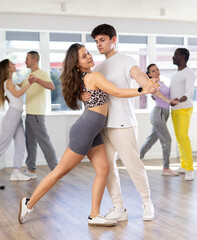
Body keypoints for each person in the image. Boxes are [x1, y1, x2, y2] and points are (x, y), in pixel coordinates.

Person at [18, 43, 159, 226]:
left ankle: (94, 215)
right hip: (85, 130)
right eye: (84, 56)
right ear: (77, 64)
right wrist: (142, 90)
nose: (89, 57)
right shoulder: (94, 76)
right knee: (61, 171)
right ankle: (29, 204)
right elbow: (116, 92)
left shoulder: (86, 77)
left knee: (103, 169)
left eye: (88, 53)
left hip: (95, 130)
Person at [88, 23, 177, 222]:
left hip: (123, 124)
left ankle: (147, 203)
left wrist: (148, 84)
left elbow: (139, 77)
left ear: (113, 39)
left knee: (133, 165)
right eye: (96, 41)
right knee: (108, 168)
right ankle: (118, 207)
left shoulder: (126, 60)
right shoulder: (98, 67)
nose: (99, 45)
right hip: (103, 125)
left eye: (102, 40)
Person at [21, 51, 58, 179]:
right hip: (30, 113)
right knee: (30, 142)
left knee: (44, 142)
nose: (25, 61)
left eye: (27, 59)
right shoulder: (29, 75)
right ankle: (31, 170)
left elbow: (52, 86)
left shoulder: (41, 74)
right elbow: (21, 88)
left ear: (34, 60)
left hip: (37, 114)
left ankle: (56, 170)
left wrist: (37, 80)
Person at [140, 64, 179, 176]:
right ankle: (166, 168)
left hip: (163, 113)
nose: (156, 72)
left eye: (157, 69)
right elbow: (160, 96)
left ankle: (137, 159)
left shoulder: (161, 83)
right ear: (149, 74)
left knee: (151, 140)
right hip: (159, 113)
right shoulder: (154, 84)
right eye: (153, 71)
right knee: (167, 140)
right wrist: (169, 101)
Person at [0, 59, 32, 181]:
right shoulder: (8, 82)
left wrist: (29, 80)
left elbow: (19, 87)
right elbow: (18, 94)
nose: (14, 65)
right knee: (2, 145)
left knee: (21, 143)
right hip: (12, 115)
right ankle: (16, 172)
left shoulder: (11, 81)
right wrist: (30, 84)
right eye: (12, 64)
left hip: (17, 115)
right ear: (8, 69)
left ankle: (15, 172)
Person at [171, 48, 196, 181]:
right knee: (179, 138)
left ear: (182, 56)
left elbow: (189, 92)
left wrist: (179, 101)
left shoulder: (189, 73)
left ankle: (190, 169)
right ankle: (183, 165)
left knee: (183, 136)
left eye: (175, 55)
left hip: (184, 108)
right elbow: (171, 91)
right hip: (174, 110)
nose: (172, 57)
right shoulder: (174, 74)